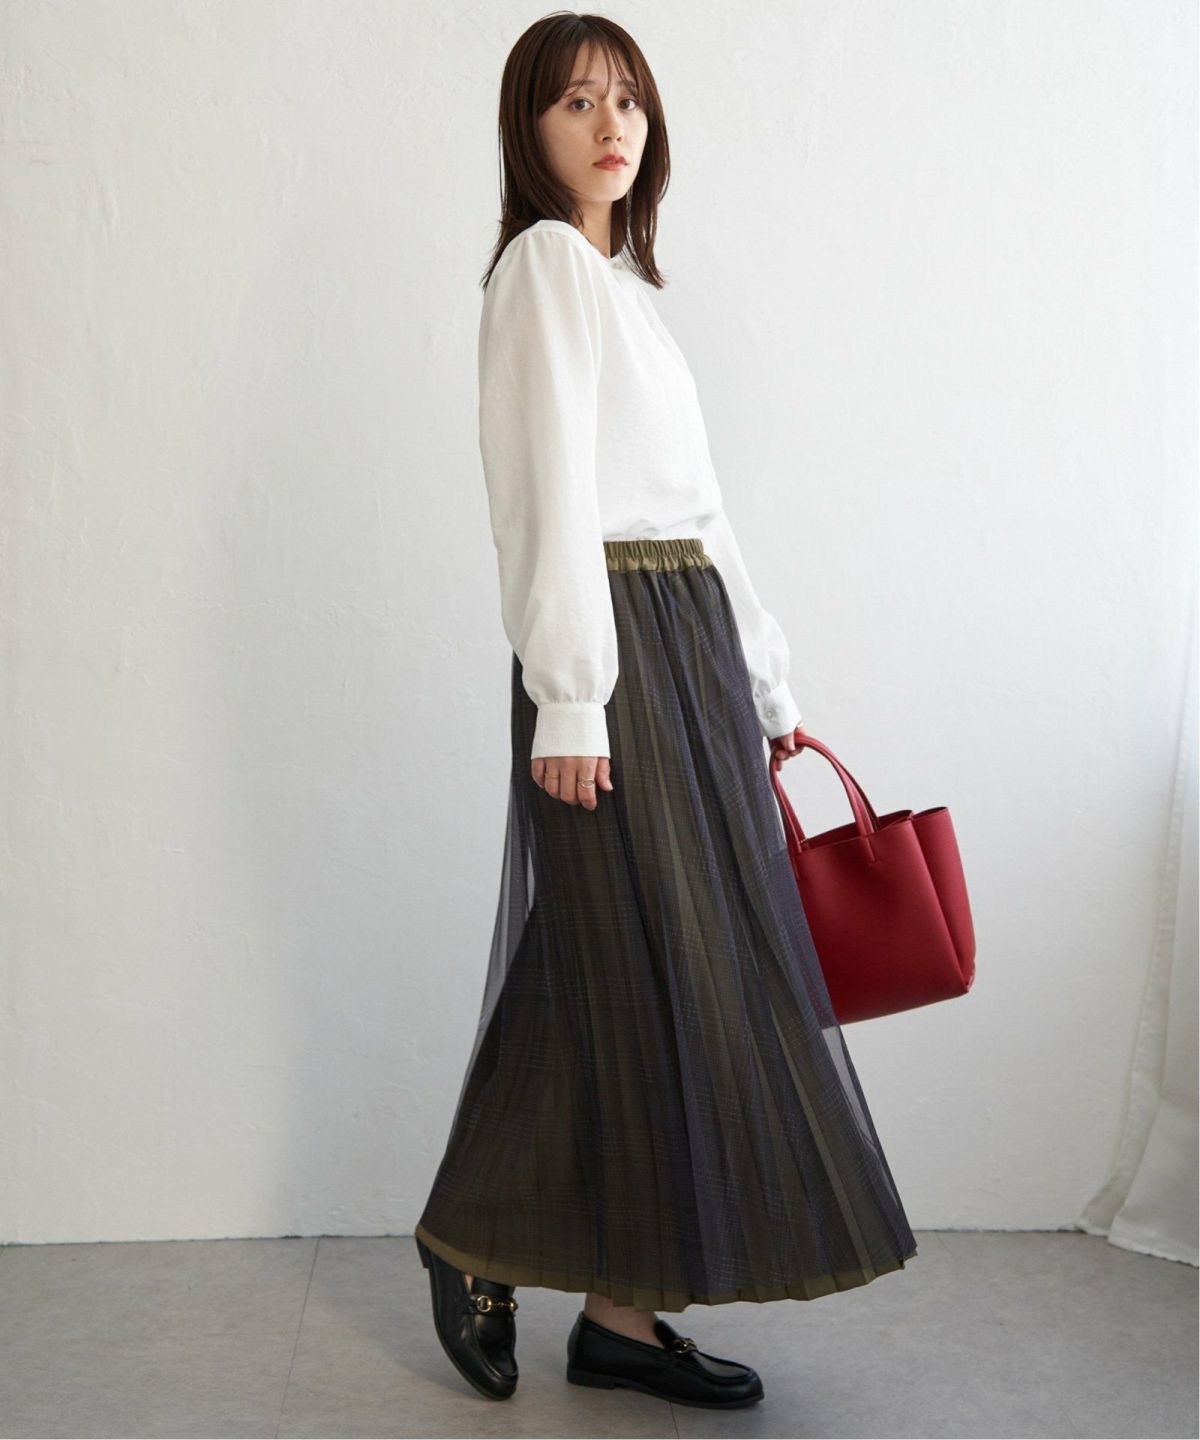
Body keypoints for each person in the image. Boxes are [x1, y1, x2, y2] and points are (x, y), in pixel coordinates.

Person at [414, 12, 917, 1410]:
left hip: (685, 642)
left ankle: (618, 1320)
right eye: (578, 102)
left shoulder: (624, 288)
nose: (610, 127)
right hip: (614, 647)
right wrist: (570, 696)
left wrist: (764, 682)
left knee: (655, 966)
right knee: (621, 952)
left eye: (628, 101)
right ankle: (474, 1239)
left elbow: (700, 513)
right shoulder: (541, 269)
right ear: (530, 129)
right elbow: (543, 499)